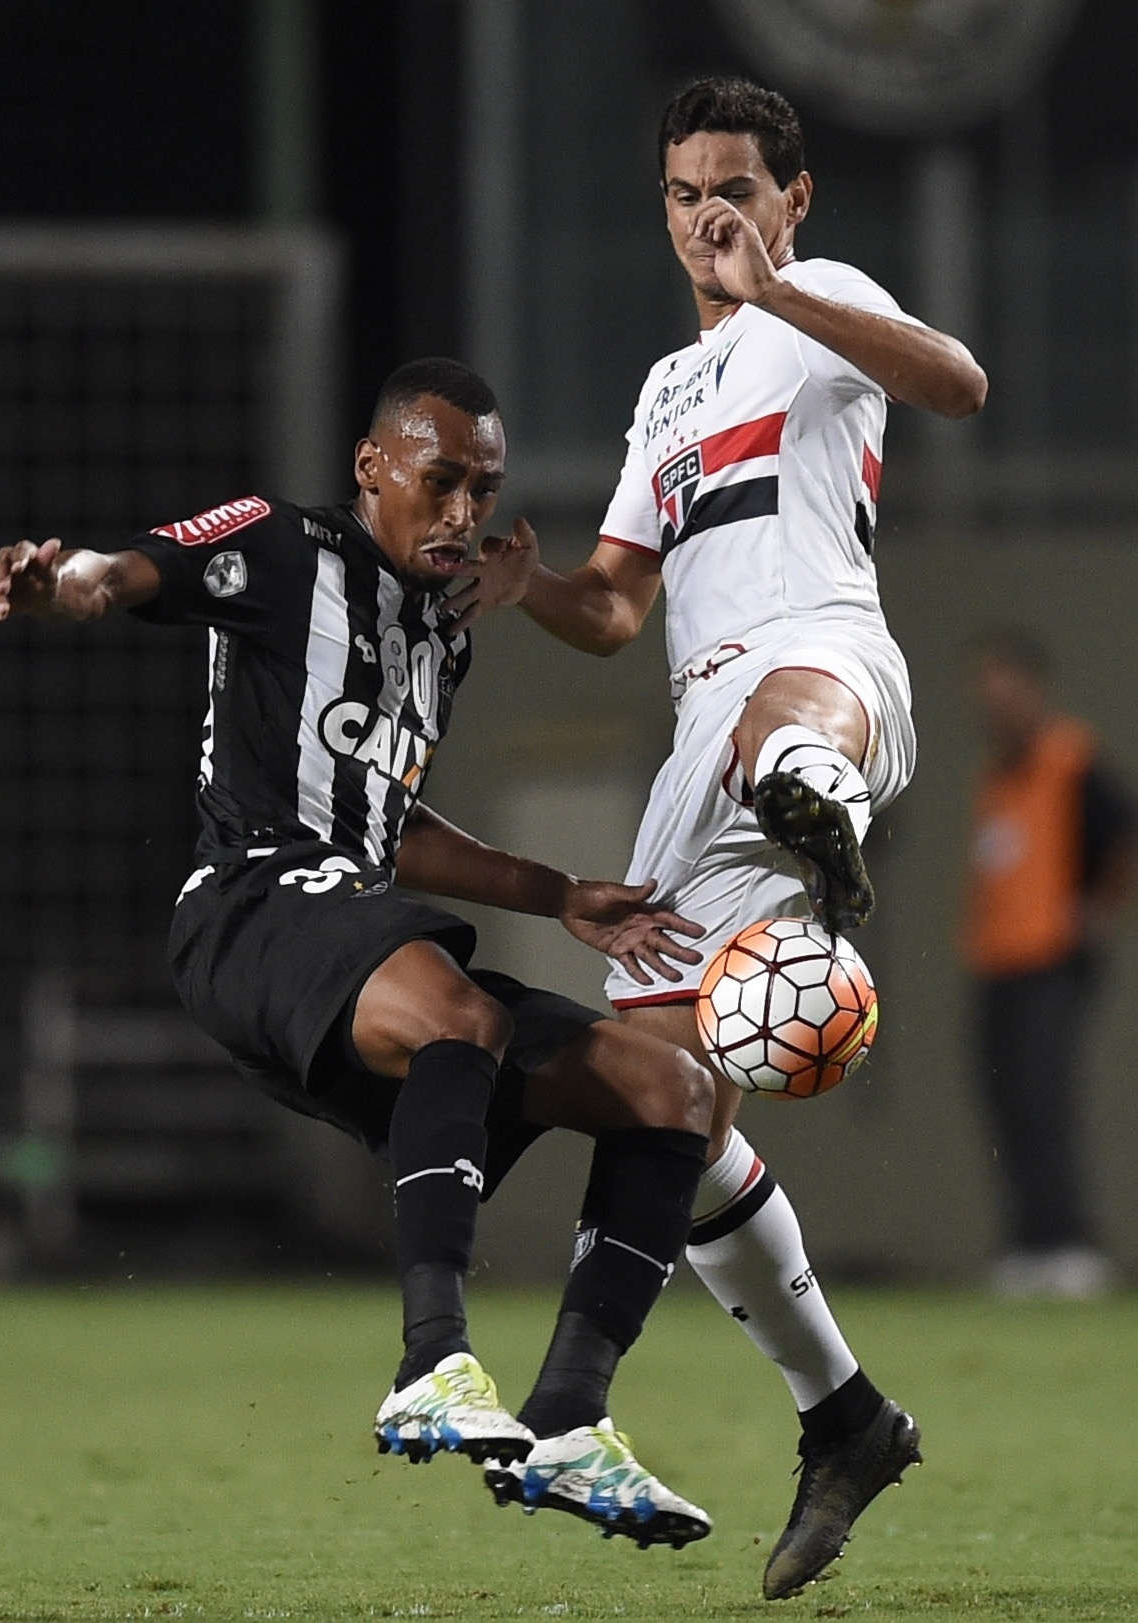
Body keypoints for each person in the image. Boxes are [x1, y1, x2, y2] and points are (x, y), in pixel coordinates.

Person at [0, 356, 727, 1550]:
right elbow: (129, 572)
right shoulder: (283, 546)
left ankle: (570, 1420)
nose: (463, 514)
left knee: (670, 1089)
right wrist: (56, 576)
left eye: (483, 489)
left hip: (355, 926)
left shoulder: (445, 628)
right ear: (373, 467)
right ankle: (433, 1360)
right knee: (457, 1014)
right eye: (439, 482)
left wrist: (558, 893)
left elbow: (393, 828)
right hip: (249, 908)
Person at [451, 76, 988, 1598]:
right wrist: (530, 581)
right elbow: (620, 608)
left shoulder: (823, 295)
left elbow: (956, 385)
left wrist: (790, 301)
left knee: (783, 718)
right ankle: (845, 1413)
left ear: (790, 198)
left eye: (736, 187)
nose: (711, 216)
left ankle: (812, 792)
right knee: (660, 1096)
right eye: (687, 192)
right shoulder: (665, 392)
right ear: (664, 207)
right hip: (696, 738)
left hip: (823, 658)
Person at [962, 626, 1135, 1297]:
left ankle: (1069, 1245)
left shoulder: (1071, 760)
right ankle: (1027, 1243)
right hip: (995, 963)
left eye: (1004, 686)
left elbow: (1123, 831)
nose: (992, 702)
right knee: (1005, 1105)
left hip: (1050, 964)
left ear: (1034, 689)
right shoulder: (995, 774)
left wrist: (1094, 914)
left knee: (1045, 1102)